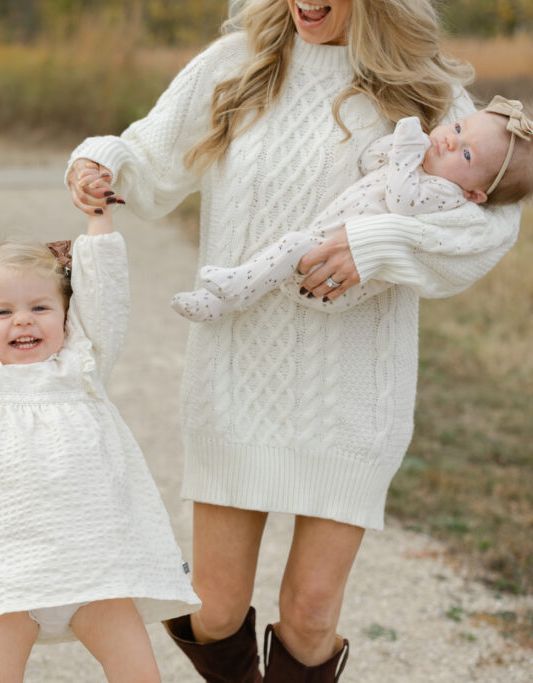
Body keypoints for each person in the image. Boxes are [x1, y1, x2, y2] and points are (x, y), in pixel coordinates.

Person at [65, 1, 521, 680]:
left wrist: (377, 244)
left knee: (310, 615)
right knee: (215, 608)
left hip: (352, 394)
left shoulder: (425, 86)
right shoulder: (236, 65)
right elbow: (148, 158)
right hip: (236, 376)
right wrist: (99, 164)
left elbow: (491, 227)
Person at [0, 181, 200, 682]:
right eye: (2, 311)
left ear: (66, 315)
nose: (23, 320)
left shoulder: (83, 366)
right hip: (7, 579)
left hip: (96, 572)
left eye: (40, 308)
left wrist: (99, 218)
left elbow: (105, 294)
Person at [171, 98, 533, 322]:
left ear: (475, 193)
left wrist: (407, 151)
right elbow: (369, 160)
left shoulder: (447, 193)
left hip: (334, 279)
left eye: (466, 154)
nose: (451, 141)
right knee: (283, 254)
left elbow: (402, 201)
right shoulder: (424, 162)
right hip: (324, 243)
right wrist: (400, 146)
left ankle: (235, 291)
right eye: (457, 127)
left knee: (292, 246)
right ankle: (216, 302)